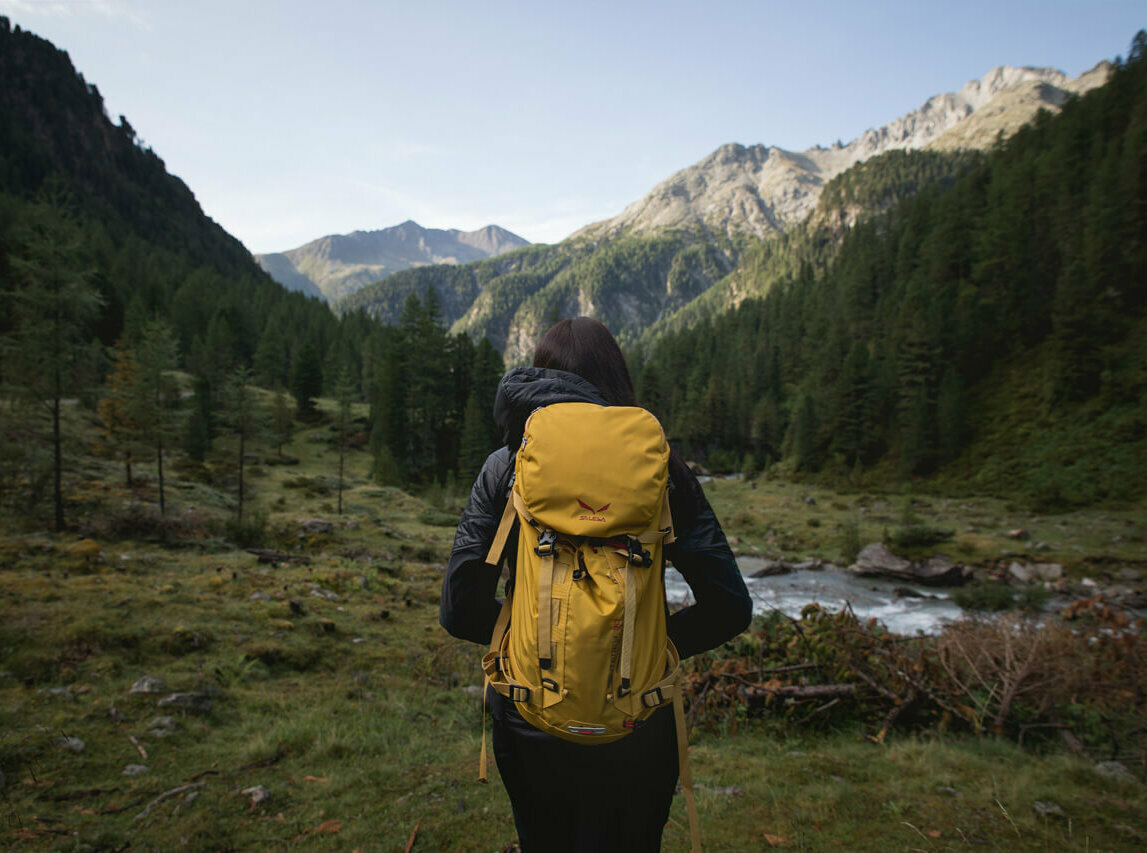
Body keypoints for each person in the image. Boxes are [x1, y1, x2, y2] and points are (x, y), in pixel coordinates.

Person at [440, 317, 752, 852]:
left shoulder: (506, 466)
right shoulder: (663, 470)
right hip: (639, 720)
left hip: (529, 712)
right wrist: (653, 648)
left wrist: (523, 639)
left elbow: (459, 607)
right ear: (616, 381)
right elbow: (729, 607)